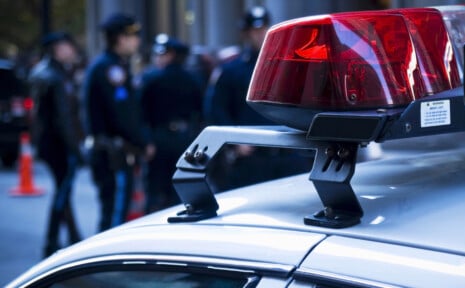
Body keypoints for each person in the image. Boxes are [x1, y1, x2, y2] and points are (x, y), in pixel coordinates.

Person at [204, 6, 312, 191]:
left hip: (288, 155)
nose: (260, 35)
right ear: (247, 34)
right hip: (252, 158)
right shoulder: (232, 70)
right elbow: (216, 109)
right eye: (256, 31)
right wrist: (233, 141)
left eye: (264, 30)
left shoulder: (288, 65)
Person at [84, 13, 155, 232]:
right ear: (120, 39)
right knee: (114, 218)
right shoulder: (110, 69)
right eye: (133, 36)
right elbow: (123, 115)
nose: (137, 41)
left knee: (115, 212)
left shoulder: (112, 66)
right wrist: (144, 143)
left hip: (112, 151)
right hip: (112, 153)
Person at [28, 32, 84, 257]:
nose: (71, 50)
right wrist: (75, 148)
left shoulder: (46, 73)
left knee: (64, 190)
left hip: (50, 144)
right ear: (57, 49)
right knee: (62, 192)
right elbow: (63, 118)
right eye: (67, 46)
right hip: (59, 145)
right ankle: (51, 242)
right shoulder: (54, 76)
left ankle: (73, 237)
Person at [139, 34, 203, 213]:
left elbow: (141, 112)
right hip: (184, 138)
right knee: (180, 189)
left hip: (158, 139)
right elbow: (201, 111)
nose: (158, 59)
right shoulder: (192, 78)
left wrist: (146, 140)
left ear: (171, 55)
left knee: (156, 190)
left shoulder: (150, 78)